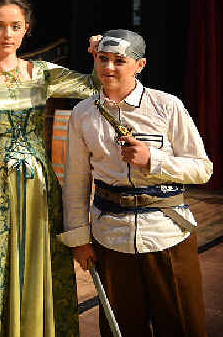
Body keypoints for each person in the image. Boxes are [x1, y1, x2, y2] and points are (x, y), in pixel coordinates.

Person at [0, 0, 100, 337]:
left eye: (15, 26)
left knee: (38, 262)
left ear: (26, 29)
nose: (7, 34)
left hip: (40, 189)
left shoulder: (41, 74)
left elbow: (94, 86)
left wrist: (99, 56)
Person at [61, 29, 212, 337]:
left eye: (119, 60)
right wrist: (79, 239)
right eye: (103, 59)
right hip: (111, 240)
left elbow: (202, 169)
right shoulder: (83, 114)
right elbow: (75, 181)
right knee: (122, 329)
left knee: (183, 326)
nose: (109, 68)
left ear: (140, 65)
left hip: (167, 235)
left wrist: (153, 160)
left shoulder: (166, 106)